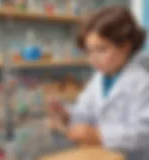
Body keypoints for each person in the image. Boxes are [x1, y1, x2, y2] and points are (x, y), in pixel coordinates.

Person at [47, 6, 149, 160]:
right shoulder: (98, 79)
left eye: (101, 49)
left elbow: (143, 132)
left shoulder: (141, 83)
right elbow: (84, 112)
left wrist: (98, 134)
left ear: (125, 47)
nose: (93, 59)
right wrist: (67, 115)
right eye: (89, 51)